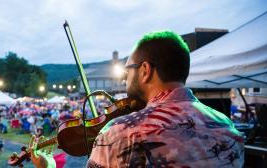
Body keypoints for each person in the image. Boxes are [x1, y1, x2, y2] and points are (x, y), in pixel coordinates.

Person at [30, 31, 244, 167]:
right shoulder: (228, 128)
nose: (125, 77)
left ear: (145, 70)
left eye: (128, 70)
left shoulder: (120, 133)